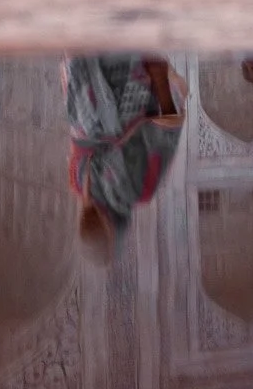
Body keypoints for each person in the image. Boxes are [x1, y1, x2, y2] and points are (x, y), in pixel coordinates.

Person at [64, 55, 185, 259]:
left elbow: (169, 125)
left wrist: (163, 78)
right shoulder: (79, 181)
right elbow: (167, 131)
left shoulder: (137, 190)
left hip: (114, 70)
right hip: (104, 68)